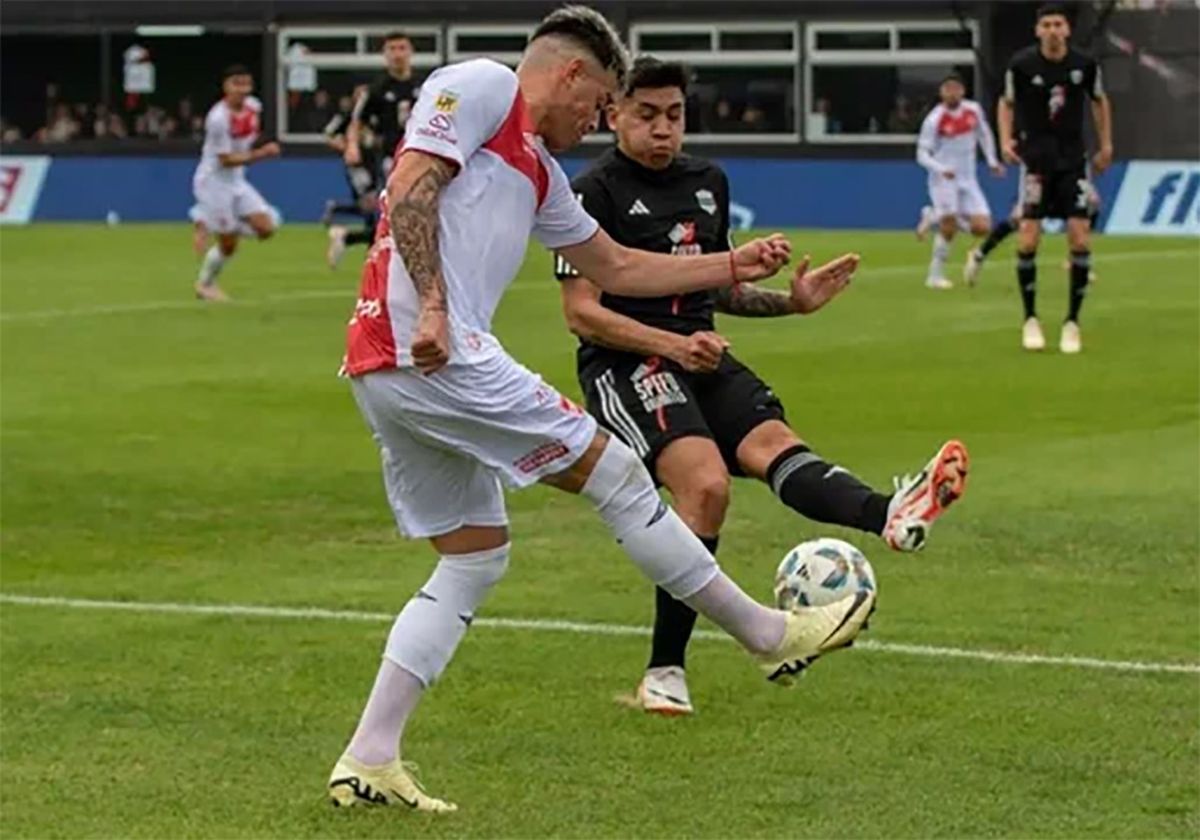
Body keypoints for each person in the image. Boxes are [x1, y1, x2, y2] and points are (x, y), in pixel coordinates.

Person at [328, 6, 878, 814]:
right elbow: (412, 183)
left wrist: (732, 263)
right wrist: (439, 307)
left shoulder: (541, 173)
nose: (595, 124)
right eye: (598, 105)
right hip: (431, 348)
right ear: (572, 76)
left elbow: (615, 264)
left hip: (391, 370)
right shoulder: (481, 87)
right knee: (621, 475)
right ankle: (767, 635)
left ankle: (369, 757)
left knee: (474, 557)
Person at [554, 57, 970, 716]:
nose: (664, 130)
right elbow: (581, 312)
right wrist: (670, 345)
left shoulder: (707, 181)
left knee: (774, 445)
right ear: (613, 115)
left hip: (702, 353)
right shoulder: (589, 194)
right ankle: (665, 671)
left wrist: (792, 303)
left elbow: (718, 287)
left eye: (675, 115)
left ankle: (890, 514)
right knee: (707, 485)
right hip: (627, 363)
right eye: (647, 115)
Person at [996, 3, 1112, 353]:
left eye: (1057, 24)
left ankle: (1072, 322)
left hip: (1073, 161)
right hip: (1035, 162)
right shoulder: (1021, 65)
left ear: (1067, 30)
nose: (1051, 30)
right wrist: (1004, 140)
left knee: (1079, 239)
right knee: (1028, 239)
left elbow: (1100, 101)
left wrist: (1106, 144)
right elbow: (1006, 103)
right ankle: (1030, 319)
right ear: (1037, 30)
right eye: (1045, 24)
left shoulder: (1084, 65)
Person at [191, 65, 281, 301]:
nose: (241, 89)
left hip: (236, 181)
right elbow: (226, 159)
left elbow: (247, 139)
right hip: (213, 182)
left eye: (245, 84)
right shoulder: (218, 118)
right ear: (225, 87)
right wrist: (261, 154)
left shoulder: (254, 107)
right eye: (236, 84)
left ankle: (208, 222)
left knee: (266, 228)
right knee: (229, 245)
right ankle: (205, 284)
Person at [914, 73, 1003, 290]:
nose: (952, 92)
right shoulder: (935, 119)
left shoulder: (973, 110)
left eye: (956, 88)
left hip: (968, 178)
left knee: (983, 227)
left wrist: (992, 160)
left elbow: (984, 134)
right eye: (947, 89)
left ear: (962, 91)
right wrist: (941, 169)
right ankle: (934, 276)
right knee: (949, 227)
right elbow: (921, 154)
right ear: (941, 92)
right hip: (943, 179)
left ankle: (933, 215)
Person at [344, 30, 418, 187]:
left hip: (422, 154)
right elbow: (357, 121)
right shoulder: (376, 90)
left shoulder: (425, 85)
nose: (397, 54)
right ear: (384, 54)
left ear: (411, 51)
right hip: (390, 155)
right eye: (392, 49)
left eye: (402, 48)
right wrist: (352, 146)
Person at [323, 85, 381, 268]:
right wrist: (348, 148)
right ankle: (349, 235)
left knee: (376, 210)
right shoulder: (347, 117)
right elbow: (329, 135)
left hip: (375, 163)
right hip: (358, 167)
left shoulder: (374, 116)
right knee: (372, 204)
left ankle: (363, 246)